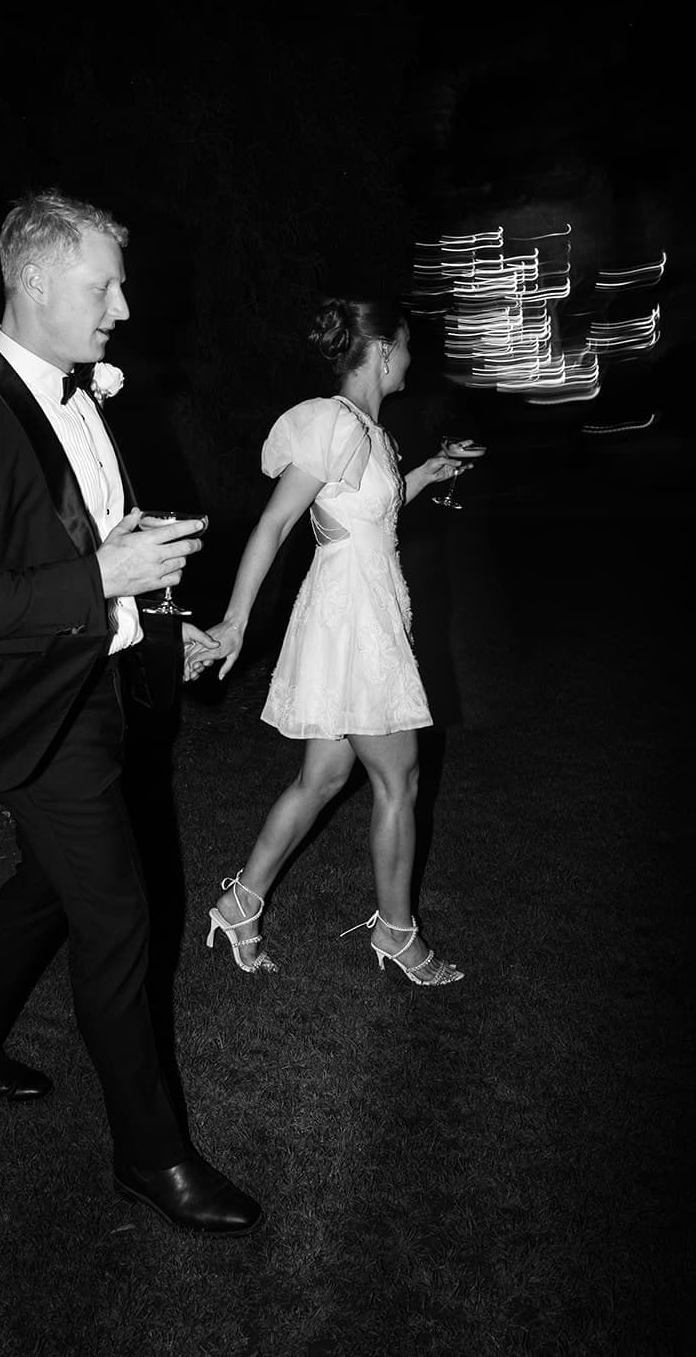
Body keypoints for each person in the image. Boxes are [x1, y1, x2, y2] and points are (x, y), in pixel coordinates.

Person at [0, 190, 261, 1236]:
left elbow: (88, 537)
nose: (125, 307)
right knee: (117, 918)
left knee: (48, 889)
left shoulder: (80, 395)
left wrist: (150, 617)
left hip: (100, 684)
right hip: (33, 716)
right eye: (105, 284)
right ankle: (154, 1159)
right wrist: (102, 575)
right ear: (37, 282)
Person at [201, 297, 467, 985]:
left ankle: (240, 902)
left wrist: (426, 474)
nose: (411, 357)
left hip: (362, 609)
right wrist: (234, 619)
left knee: (323, 777)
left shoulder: (368, 433)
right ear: (382, 352)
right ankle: (396, 932)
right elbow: (273, 524)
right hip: (351, 620)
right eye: (405, 345)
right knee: (399, 776)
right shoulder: (337, 424)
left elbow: (364, 514)